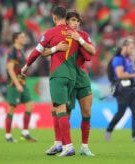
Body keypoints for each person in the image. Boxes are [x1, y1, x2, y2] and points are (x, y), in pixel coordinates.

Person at [21, 6, 80, 156]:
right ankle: (58, 144)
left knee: (60, 110)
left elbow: (37, 52)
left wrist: (26, 66)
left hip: (58, 75)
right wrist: (56, 49)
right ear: (66, 17)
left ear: (54, 18)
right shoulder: (74, 33)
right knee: (55, 109)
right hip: (72, 76)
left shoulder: (50, 32)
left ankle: (68, 146)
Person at [44, 11, 95, 156]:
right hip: (68, 76)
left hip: (82, 76)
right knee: (63, 112)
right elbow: (47, 52)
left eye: (78, 20)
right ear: (66, 22)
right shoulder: (60, 35)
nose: (76, 23)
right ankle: (59, 144)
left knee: (87, 112)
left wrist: (80, 40)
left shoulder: (83, 35)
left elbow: (93, 51)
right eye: (73, 20)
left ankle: (84, 147)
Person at [105, 37, 135, 142]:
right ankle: (109, 129)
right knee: (121, 113)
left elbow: (131, 70)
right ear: (124, 47)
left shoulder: (128, 59)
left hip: (132, 89)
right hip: (122, 89)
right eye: (131, 48)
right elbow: (120, 74)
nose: (132, 50)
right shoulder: (118, 59)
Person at [5, 32, 36, 142]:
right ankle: (8, 135)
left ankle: (25, 133)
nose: (24, 38)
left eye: (24, 36)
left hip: (23, 83)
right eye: (22, 37)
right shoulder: (12, 51)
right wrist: (17, 84)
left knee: (30, 105)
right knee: (12, 108)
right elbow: (10, 69)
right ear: (15, 39)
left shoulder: (21, 52)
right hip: (14, 84)